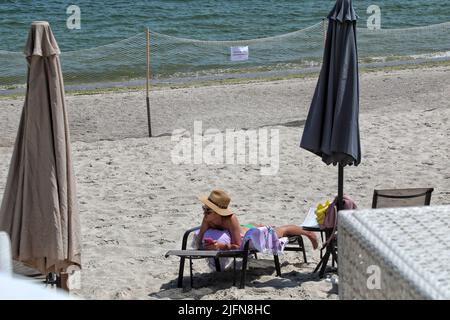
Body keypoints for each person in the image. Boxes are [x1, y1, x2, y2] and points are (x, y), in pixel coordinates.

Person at [197, 189, 318, 251]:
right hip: (244, 228)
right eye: (204, 208)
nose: (204, 212)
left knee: (281, 231)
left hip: (247, 236)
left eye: (208, 210)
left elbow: (238, 246)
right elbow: (199, 242)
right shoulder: (207, 218)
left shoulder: (230, 219)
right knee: (251, 226)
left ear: (219, 212)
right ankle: (257, 225)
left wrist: (221, 246)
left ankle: (307, 232)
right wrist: (205, 245)